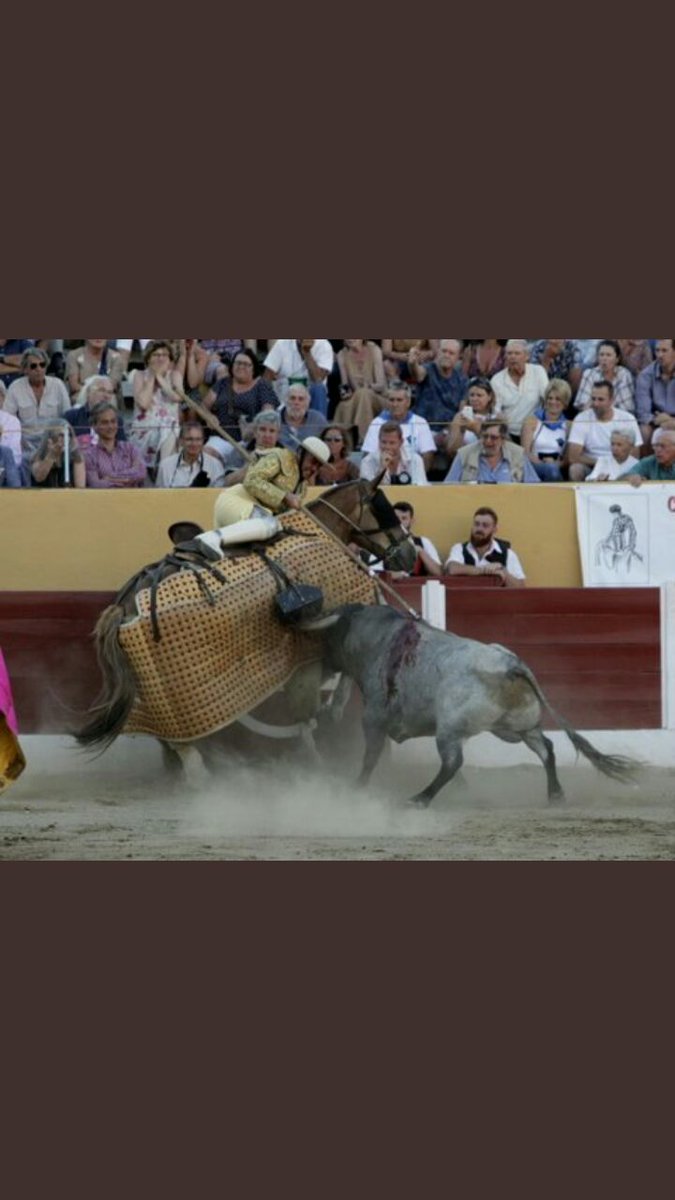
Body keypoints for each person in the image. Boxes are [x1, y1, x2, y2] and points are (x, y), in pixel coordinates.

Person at [213, 435, 330, 528]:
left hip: (256, 515)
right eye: (313, 461)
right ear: (301, 453)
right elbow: (251, 480)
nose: (314, 468)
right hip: (237, 501)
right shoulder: (280, 457)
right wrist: (284, 497)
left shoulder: (302, 487)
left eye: (319, 465)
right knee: (268, 525)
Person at [567, 381, 642, 481]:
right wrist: (603, 463)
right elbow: (573, 457)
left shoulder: (627, 418)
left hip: (622, 467)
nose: (595, 403)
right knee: (575, 469)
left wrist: (612, 465)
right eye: (593, 399)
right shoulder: (582, 418)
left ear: (611, 400)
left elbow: (634, 454)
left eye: (600, 399)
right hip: (592, 466)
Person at [129, 340, 183, 476]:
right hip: (145, 429)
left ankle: (163, 472)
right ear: (148, 358)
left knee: (170, 430)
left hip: (169, 430)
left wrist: (160, 377)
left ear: (170, 359)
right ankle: (162, 474)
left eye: (165, 355)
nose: (161, 358)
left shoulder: (175, 375)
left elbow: (177, 397)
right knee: (168, 431)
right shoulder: (139, 375)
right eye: (156, 355)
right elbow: (144, 404)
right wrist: (152, 377)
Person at [203, 348, 278, 439]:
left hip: (251, 440)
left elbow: (268, 413)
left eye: (246, 364)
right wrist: (208, 416)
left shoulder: (262, 385)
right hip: (221, 437)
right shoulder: (223, 383)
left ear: (253, 368)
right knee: (208, 452)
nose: (241, 367)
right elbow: (203, 406)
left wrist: (253, 427)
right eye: (238, 363)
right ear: (232, 366)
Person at [361, 381, 436, 470]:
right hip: (382, 474)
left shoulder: (421, 422)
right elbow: (367, 456)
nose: (395, 404)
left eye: (399, 400)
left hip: (413, 476)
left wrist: (415, 477)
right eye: (391, 400)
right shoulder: (376, 423)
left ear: (408, 402)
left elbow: (428, 455)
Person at [445, 507, 527, 588]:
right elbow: (452, 569)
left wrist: (502, 570)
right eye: (476, 524)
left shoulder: (508, 554)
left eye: (485, 525)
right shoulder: (460, 548)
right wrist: (484, 570)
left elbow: (520, 587)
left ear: (494, 529)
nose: (479, 529)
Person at [444, 420, 541, 484]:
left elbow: (534, 485)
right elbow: (448, 486)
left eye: (493, 438)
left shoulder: (518, 454)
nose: (488, 441)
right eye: (485, 436)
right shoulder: (464, 454)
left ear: (503, 439)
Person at [490, 340, 549, 439]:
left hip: (534, 431)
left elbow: (548, 399)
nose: (513, 357)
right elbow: (495, 411)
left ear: (527, 356)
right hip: (508, 433)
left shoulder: (538, 372)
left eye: (517, 353)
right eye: (509, 353)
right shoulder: (497, 380)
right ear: (505, 357)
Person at [409, 340, 468, 437]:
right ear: (438, 352)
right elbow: (418, 375)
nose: (447, 355)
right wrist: (412, 363)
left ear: (458, 357)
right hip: (421, 429)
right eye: (444, 351)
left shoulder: (462, 380)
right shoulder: (428, 369)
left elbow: (462, 412)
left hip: (447, 432)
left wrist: (448, 431)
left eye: (451, 353)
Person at [4, 348, 70, 432]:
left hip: (53, 439)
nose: (38, 369)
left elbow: (67, 417)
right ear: (25, 369)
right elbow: (8, 418)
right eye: (33, 366)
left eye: (42, 365)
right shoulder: (15, 387)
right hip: (25, 439)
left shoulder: (58, 385)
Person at [334, 340, 387, 442]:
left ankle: (364, 440)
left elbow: (381, 385)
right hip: (357, 397)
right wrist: (345, 393)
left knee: (364, 393)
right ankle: (345, 441)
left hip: (378, 397)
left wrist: (368, 386)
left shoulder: (374, 350)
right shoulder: (342, 354)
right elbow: (344, 384)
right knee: (344, 405)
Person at [84, 403, 148, 489]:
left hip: (133, 499)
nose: (110, 426)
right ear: (94, 426)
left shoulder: (130, 448)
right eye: (104, 422)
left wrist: (110, 477)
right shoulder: (90, 455)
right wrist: (128, 479)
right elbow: (96, 484)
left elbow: (141, 472)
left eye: (113, 421)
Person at [264, 338, 334, 415]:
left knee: (319, 388)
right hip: (284, 402)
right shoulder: (282, 344)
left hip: (312, 404)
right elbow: (266, 379)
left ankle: (317, 425)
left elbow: (318, 379)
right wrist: (268, 403)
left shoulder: (324, 345)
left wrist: (307, 353)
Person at [520, 380, 572, 482]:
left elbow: (568, 458)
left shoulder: (569, 425)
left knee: (553, 470)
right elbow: (525, 453)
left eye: (558, 399)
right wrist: (544, 464)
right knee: (551, 470)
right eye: (550, 398)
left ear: (565, 403)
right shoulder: (532, 421)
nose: (553, 402)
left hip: (557, 467)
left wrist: (555, 464)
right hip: (534, 465)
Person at [444, 377, 500, 463]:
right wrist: (461, 431)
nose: (474, 399)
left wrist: (475, 429)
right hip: (465, 462)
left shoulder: (497, 417)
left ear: (489, 397)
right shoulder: (460, 416)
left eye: (479, 395)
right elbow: (451, 452)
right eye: (472, 395)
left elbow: (501, 449)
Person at [155, 423, 226, 488]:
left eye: (198, 439)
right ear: (181, 441)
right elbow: (159, 496)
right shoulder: (165, 466)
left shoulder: (215, 465)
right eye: (189, 439)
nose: (194, 444)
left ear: (203, 441)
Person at [64, 375, 126, 449]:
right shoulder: (72, 416)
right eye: (101, 390)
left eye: (109, 392)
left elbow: (122, 449)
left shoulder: (117, 419)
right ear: (88, 393)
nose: (106, 396)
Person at [574, 340, 635, 413]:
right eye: (601, 355)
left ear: (617, 359)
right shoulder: (589, 374)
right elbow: (582, 404)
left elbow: (627, 407)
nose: (604, 358)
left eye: (608, 355)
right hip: (593, 416)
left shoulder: (624, 374)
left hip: (618, 419)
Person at [360, 421, 428, 485]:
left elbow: (421, 488)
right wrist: (382, 468)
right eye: (383, 442)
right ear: (379, 441)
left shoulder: (415, 460)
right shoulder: (367, 462)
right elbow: (369, 492)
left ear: (401, 442)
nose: (387, 447)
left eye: (392, 443)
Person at [635, 339, 675, 447]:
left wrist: (672, 421)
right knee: (644, 431)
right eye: (657, 350)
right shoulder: (645, 375)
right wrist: (658, 421)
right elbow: (643, 413)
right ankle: (647, 463)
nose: (660, 355)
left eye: (664, 350)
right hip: (656, 420)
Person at [391, 503, 442, 578]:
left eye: (404, 518)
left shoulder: (423, 542)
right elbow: (375, 573)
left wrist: (420, 550)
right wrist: (396, 575)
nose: (399, 522)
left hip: (419, 588)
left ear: (411, 521)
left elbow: (438, 572)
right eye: (396, 518)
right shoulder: (382, 542)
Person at [30, 424, 86, 488]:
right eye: (61, 435)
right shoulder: (37, 457)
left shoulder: (76, 457)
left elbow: (80, 487)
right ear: (50, 438)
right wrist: (51, 456)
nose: (66, 438)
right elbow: (39, 477)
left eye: (69, 435)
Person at [277, 384, 327, 449]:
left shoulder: (318, 420)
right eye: (292, 398)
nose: (296, 402)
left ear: (307, 403)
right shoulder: (274, 418)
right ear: (286, 401)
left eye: (301, 399)